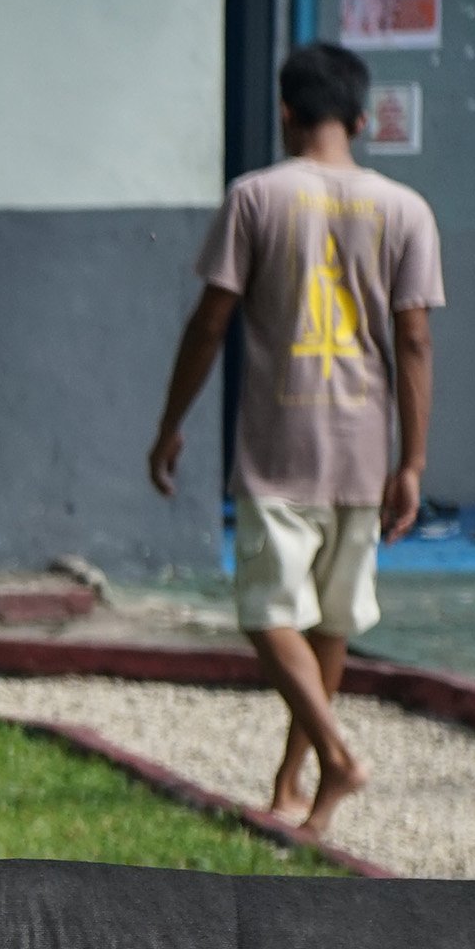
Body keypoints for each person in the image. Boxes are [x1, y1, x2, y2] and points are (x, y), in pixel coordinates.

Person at [146, 41, 443, 837]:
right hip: (363, 445)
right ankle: (292, 784)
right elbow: (414, 341)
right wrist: (412, 458)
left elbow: (211, 321)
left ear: (285, 112)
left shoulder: (254, 196)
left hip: (280, 443)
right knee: (329, 623)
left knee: (267, 614)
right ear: (361, 116)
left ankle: (334, 759)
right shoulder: (406, 208)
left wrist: (173, 421)